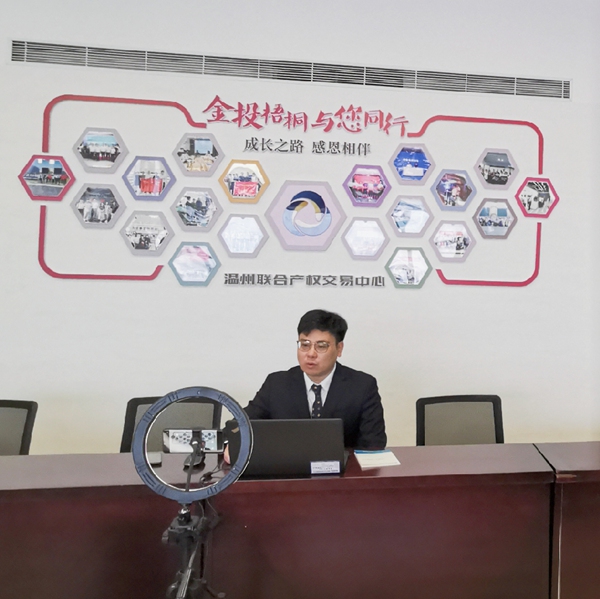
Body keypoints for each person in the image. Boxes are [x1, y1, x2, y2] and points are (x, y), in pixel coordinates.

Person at [242, 309, 386, 450]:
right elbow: (242, 425)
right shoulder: (276, 384)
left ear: (339, 348)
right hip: (288, 465)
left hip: (343, 465)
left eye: (321, 346)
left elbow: (373, 444)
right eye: (305, 345)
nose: (311, 354)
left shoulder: (362, 386)